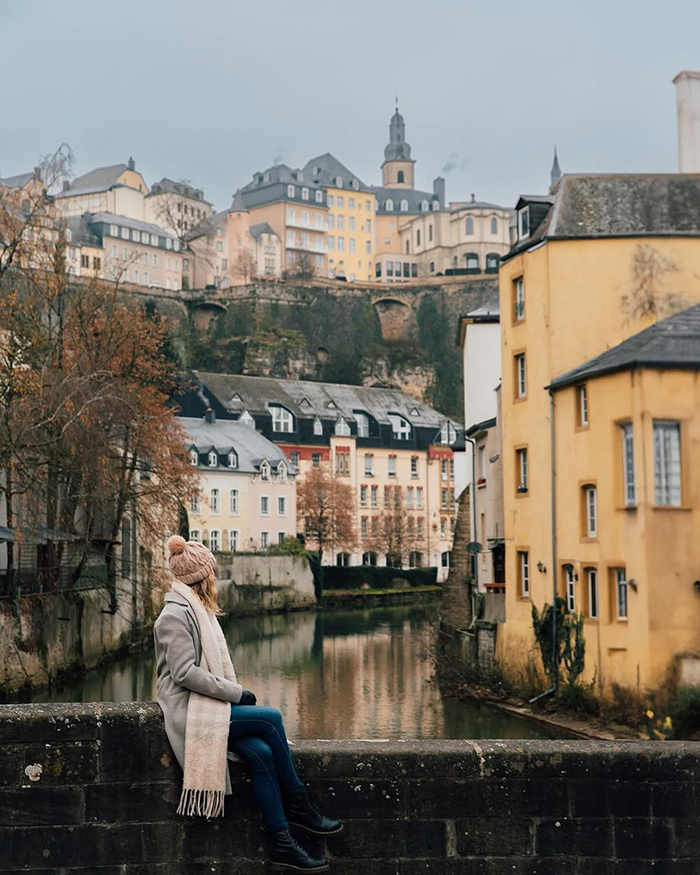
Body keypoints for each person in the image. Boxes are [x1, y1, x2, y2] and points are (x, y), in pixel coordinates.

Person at [154, 535, 342, 871]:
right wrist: (236, 693)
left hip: (206, 703)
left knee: (265, 753)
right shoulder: (175, 615)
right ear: (202, 577)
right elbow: (183, 673)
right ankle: (298, 803)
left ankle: (282, 842)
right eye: (211, 573)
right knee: (270, 718)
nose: (215, 578)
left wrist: (230, 693)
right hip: (188, 709)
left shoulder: (198, 611)